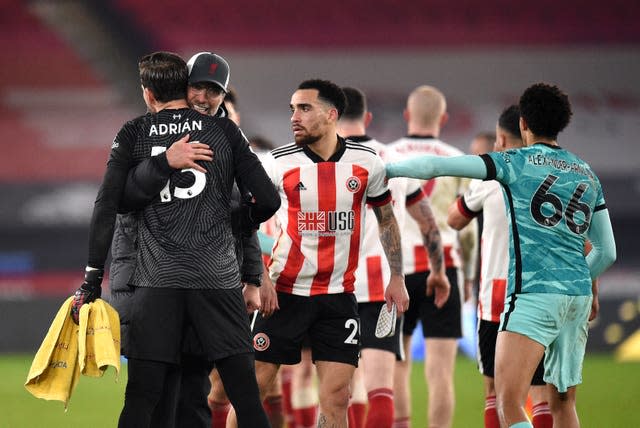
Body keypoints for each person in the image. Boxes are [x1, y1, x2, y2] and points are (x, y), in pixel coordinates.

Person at [386, 82, 616, 428]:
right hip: (577, 296)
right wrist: (580, 279)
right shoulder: (585, 171)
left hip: (532, 296)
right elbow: (607, 251)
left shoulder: (514, 162)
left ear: (523, 124)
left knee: (507, 404)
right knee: (563, 403)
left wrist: (388, 171)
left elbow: (436, 167)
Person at [70, 51, 280, 428]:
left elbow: (109, 205)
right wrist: (236, 221)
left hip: (157, 281)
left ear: (149, 94)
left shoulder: (133, 133)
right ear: (183, 87)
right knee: (246, 400)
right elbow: (268, 199)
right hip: (216, 282)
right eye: (197, 87)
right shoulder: (225, 131)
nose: (202, 96)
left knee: (141, 400)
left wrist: (91, 280)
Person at [227, 79, 409, 428]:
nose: (294, 116)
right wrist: (258, 278)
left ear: (331, 114)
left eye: (304, 108)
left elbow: (386, 220)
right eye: (292, 108)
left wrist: (396, 277)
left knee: (338, 398)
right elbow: (243, 224)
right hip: (282, 294)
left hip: (338, 297)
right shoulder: (278, 163)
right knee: (253, 391)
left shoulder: (366, 162)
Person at [337, 86, 449, 428]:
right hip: (382, 289)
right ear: (367, 118)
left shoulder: (320, 161)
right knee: (381, 391)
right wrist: (438, 270)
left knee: (338, 391)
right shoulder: (390, 160)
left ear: (332, 116)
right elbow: (428, 222)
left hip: (333, 288)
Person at [447, 105, 552, 428]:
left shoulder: (492, 176)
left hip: (497, 296)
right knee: (542, 391)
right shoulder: (554, 176)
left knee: (495, 389)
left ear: (503, 139)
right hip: (542, 295)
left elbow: (454, 219)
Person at [388, 85, 477, 428]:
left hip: (398, 271)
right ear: (443, 119)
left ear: (408, 116)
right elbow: (467, 229)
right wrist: (468, 276)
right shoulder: (457, 160)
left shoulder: (388, 155)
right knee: (441, 373)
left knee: (398, 365)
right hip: (445, 268)